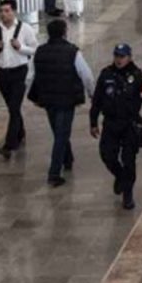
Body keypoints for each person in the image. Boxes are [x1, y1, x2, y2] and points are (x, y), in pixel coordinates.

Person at [26, 19, 95, 187]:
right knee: (61, 134)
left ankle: (67, 158)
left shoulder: (40, 52)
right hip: (67, 99)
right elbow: (86, 75)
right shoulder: (73, 52)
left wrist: (34, 95)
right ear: (64, 32)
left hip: (48, 99)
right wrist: (92, 93)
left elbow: (31, 76)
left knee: (59, 131)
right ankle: (54, 173)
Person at [90, 44, 142, 210]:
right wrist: (93, 122)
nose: (119, 60)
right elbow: (97, 100)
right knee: (107, 155)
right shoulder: (106, 75)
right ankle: (120, 176)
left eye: (122, 56)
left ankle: (128, 194)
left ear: (129, 57)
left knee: (129, 160)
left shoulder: (138, 76)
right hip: (111, 123)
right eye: (116, 56)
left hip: (130, 124)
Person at [0, 0, 38, 159]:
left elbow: (35, 49)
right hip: (2, 73)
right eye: (1, 11)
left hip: (19, 72)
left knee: (14, 107)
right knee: (12, 107)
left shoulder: (25, 28)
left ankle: (9, 145)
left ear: (14, 12)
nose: (3, 14)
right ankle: (20, 132)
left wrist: (20, 47)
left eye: (7, 11)